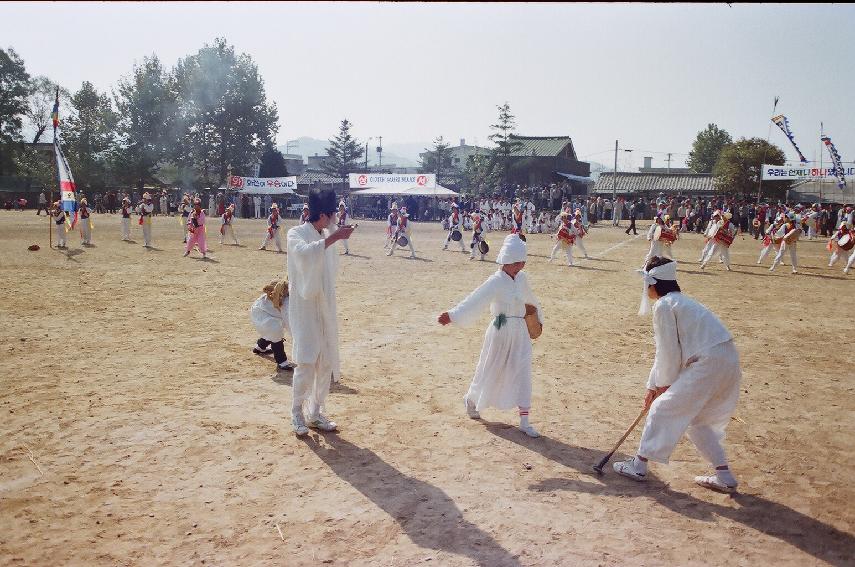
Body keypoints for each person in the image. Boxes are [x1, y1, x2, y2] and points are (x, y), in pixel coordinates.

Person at [613, 257, 741, 494]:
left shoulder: (664, 306)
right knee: (698, 420)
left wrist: (660, 388)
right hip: (727, 360)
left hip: (709, 363)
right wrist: (653, 386)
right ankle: (724, 476)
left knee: (661, 408)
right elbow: (668, 352)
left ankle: (638, 465)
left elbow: (668, 352)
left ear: (653, 284)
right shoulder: (680, 302)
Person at [438, 234, 544, 438]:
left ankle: (524, 419)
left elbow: (533, 300)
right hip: (500, 329)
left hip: (520, 332)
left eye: (522, 263)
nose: (519, 267)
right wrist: (453, 315)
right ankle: (471, 399)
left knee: (522, 372)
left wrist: (538, 320)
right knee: (489, 368)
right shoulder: (495, 281)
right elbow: (475, 299)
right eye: (516, 264)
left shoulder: (522, 278)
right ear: (506, 261)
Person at [286, 188, 354, 436]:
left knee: (325, 359)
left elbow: (329, 268)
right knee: (305, 360)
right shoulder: (296, 233)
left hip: (325, 305)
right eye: (333, 213)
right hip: (304, 306)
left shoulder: (326, 233)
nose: (336, 218)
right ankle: (296, 412)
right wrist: (332, 240)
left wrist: (333, 238)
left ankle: (315, 412)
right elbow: (304, 255)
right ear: (323, 215)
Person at [250, 278, 295, 371]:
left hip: (258, 317)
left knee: (270, 332)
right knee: (275, 335)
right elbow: (289, 323)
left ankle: (259, 348)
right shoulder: (283, 302)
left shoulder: (267, 298)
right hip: (264, 320)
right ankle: (282, 362)